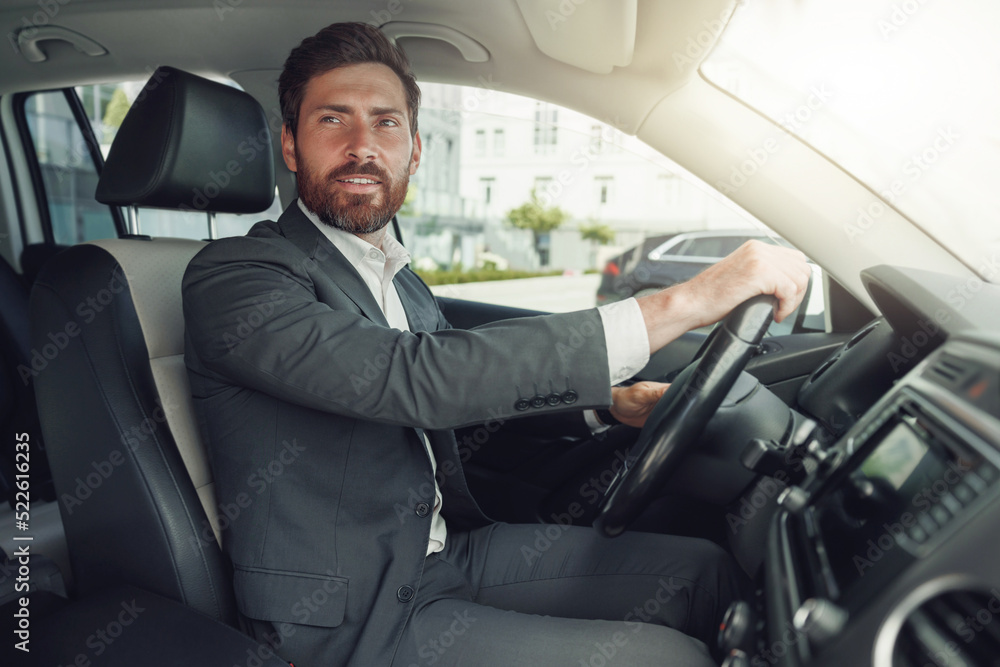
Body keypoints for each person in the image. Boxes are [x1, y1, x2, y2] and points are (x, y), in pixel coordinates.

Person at [182, 22, 810, 667]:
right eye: (332, 120)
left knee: (704, 574)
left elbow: (467, 390)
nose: (362, 146)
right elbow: (411, 378)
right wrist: (682, 303)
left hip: (445, 553)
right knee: (666, 660)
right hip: (347, 615)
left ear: (415, 150)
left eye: (386, 123)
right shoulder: (236, 277)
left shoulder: (399, 280)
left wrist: (609, 406)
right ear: (290, 145)